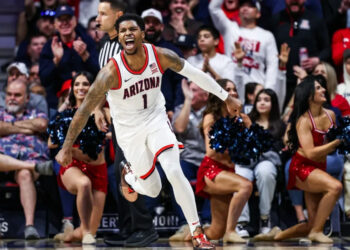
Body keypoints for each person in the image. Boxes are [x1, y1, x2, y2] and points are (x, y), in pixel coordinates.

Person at [55, 13, 241, 249]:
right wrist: (66, 147)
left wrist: (226, 97)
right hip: (129, 131)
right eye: (122, 31)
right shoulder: (110, 72)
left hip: (155, 119)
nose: (127, 34)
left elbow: (194, 74)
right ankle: (130, 176)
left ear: (142, 33)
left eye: (132, 29)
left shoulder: (160, 55)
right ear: (119, 37)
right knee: (152, 189)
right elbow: (83, 111)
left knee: (174, 170)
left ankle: (198, 234)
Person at [95, 1, 159, 247]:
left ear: (118, 16)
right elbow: (104, 83)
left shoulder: (131, 47)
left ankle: (144, 227)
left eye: (103, 14)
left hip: (137, 119)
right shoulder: (104, 44)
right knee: (120, 174)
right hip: (120, 120)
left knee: (132, 172)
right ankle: (128, 228)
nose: (98, 18)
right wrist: (100, 108)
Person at [255, 75, 343, 243]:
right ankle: (317, 232)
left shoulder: (331, 114)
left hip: (319, 167)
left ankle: (277, 235)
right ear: (309, 95)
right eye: (318, 88)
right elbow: (310, 154)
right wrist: (338, 142)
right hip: (301, 169)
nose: (324, 89)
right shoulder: (303, 121)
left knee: (311, 223)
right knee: (335, 187)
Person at [49, 71, 107, 244]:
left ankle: (68, 236)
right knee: (83, 183)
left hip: (98, 170)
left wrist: (97, 108)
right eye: (77, 84)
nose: (81, 88)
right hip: (74, 167)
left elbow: (105, 92)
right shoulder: (66, 115)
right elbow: (51, 142)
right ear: (72, 89)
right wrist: (68, 148)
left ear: (92, 87)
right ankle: (85, 232)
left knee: (85, 233)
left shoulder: (104, 113)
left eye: (85, 84)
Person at [196, 78, 252, 243]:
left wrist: (248, 128)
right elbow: (211, 151)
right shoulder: (211, 117)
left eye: (234, 89)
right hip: (212, 170)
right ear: (219, 93)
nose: (233, 92)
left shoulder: (238, 119)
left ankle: (188, 235)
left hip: (228, 170)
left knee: (215, 232)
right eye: (228, 89)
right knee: (246, 185)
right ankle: (231, 231)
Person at [0, 79, 51, 239]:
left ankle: (29, 226)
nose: (12, 98)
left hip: (31, 157)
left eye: (17, 95)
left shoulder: (37, 112)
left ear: (27, 98)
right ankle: (33, 167)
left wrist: (9, 127)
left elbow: (42, 125)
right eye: (9, 94)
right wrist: (27, 127)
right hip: (5, 161)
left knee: (24, 174)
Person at [235, 89, 285, 237]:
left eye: (267, 100)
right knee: (240, 175)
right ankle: (240, 222)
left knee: (266, 171)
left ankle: (265, 218)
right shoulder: (244, 121)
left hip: (267, 161)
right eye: (259, 99)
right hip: (247, 161)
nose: (262, 102)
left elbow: (274, 150)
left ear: (273, 103)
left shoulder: (279, 125)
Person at [168, 79, 210, 241]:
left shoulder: (211, 112)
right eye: (188, 89)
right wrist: (187, 100)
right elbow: (179, 128)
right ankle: (185, 223)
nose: (189, 92)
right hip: (187, 159)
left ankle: (207, 222)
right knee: (176, 173)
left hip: (207, 157)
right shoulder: (181, 109)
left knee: (213, 173)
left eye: (193, 90)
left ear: (205, 95)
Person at [209, 0, 279, 94]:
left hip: (256, 89)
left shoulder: (267, 36)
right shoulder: (229, 28)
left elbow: (272, 65)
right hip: (232, 87)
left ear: (258, 14)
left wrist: (268, 91)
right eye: (242, 6)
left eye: (250, 6)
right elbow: (213, 8)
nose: (245, 8)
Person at [39, 4, 99, 110]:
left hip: (87, 101)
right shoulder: (50, 46)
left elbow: (99, 73)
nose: (65, 23)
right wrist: (56, 60)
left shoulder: (87, 41)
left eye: (68, 18)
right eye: (60, 20)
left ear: (75, 21)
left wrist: (85, 56)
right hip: (57, 102)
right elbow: (44, 79)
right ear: (55, 24)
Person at [141, 7, 184, 120]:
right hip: (137, 112)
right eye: (146, 22)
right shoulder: (130, 51)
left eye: (155, 22)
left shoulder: (172, 52)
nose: (151, 25)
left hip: (165, 112)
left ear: (162, 26)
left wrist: (175, 109)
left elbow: (180, 82)